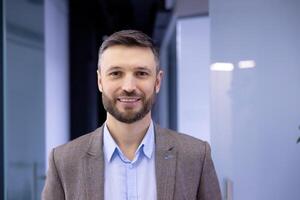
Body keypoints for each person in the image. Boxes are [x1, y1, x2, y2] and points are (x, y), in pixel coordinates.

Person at [42, 30, 221, 200]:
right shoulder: (64, 161)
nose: (129, 86)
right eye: (116, 73)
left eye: (141, 73)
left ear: (157, 82)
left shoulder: (196, 156)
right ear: (100, 81)